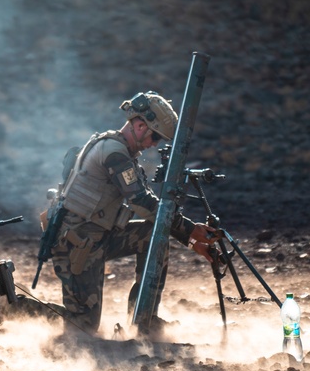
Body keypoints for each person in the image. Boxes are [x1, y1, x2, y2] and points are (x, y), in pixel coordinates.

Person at [47, 91, 216, 336]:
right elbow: (141, 202)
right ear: (139, 125)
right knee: (82, 328)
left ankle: (144, 322)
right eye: (155, 136)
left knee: (151, 235)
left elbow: (150, 214)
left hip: (98, 238)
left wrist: (190, 239)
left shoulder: (124, 152)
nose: (154, 144)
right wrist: (189, 230)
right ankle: (9, 306)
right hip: (77, 245)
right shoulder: (114, 152)